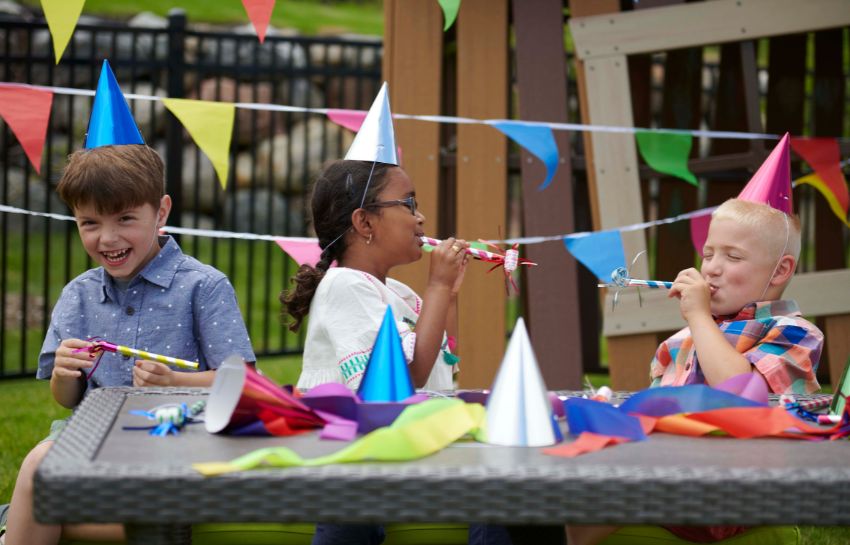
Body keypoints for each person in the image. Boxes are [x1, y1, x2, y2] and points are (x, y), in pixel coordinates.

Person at [1, 143, 256, 545]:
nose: (108, 238)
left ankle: (20, 520)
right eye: (89, 223)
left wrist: (173, 383)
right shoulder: (79, 294)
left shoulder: (203, 286)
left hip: (179, 437)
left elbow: (243, 382)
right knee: (38, 464)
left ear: (162, 211)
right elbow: (68, 399)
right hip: (96, 436)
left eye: (125, 218)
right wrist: (66, 373)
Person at [566, 197, 823, 545]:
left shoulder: (793, 332)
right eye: (708, 254)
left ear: (780, 270)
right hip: (667, 475)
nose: (712, 268)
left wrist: (699, 317)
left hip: (737, 492)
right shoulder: (680, 342)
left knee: (574, 510)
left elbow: (739, 392)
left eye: (732, 257)